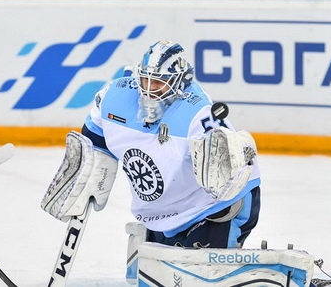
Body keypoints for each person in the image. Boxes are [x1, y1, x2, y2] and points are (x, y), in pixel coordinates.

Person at [42, 40, 261, 258]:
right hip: (162, 216)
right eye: (145, 80)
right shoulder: (113, 97)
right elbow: (94, 143)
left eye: (159, 83)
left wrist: (232, 162)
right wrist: (86, 172)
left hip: (212, 212)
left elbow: (237, 165)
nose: (149, 89)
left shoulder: (199, 114)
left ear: (179, 83)